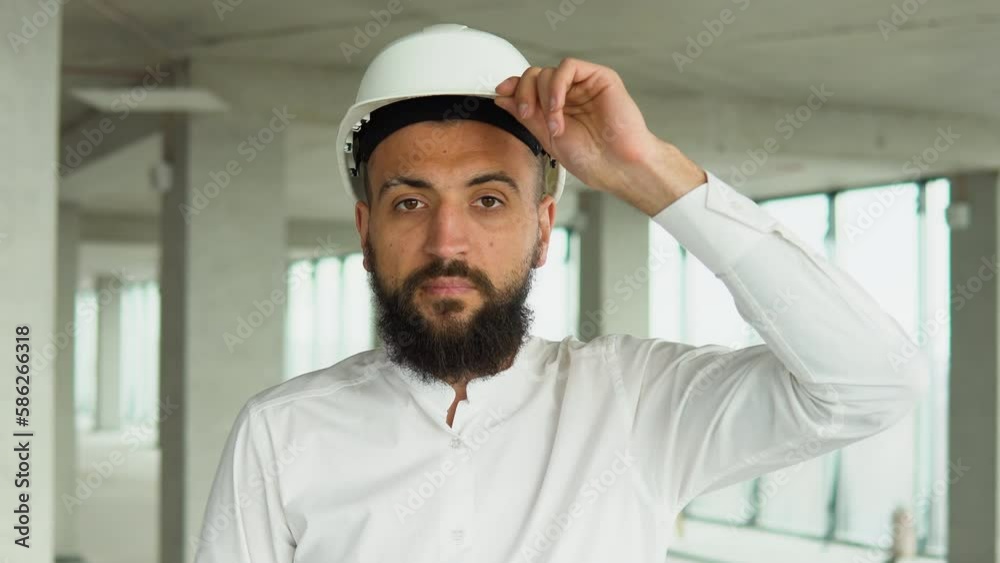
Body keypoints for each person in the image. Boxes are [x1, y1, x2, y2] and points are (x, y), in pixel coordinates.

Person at [193, 24, 929, 563]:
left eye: (488, 200)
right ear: (365, 228)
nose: (448, 242)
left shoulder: (637, 406)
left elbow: (872, 381)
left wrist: (651, 172)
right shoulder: (282, 434)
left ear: (543, 228)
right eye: (410, 203)